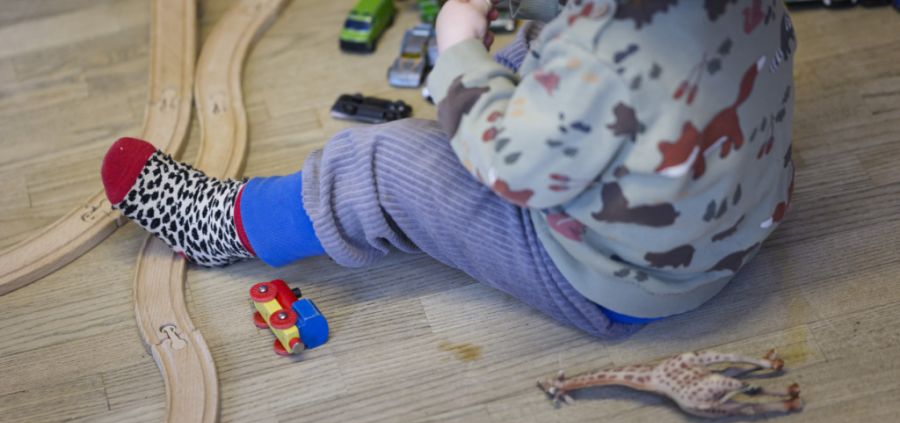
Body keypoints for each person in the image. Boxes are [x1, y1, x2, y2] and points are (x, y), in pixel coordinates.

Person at [99, 0, 797, 338]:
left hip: (624, 279)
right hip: (733, 215)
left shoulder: (598, 57)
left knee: (386, 164)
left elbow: (510, 165)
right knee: (534, 49)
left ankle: (224, 224)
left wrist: (460, 50)